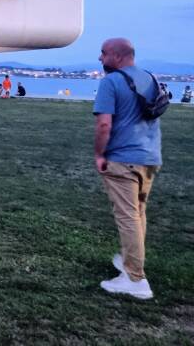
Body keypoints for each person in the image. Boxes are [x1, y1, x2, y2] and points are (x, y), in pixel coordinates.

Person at [93, 38, 162, 299]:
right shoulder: (150, 78)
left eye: (103, 53)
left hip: (122, 159)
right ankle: (130, 262)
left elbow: (103, 125)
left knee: (127, 216)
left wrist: (99, 154)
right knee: (138, 213)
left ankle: (135, 279)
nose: (100, 58)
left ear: (117, 56)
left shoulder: (110, 82)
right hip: (150, 157)